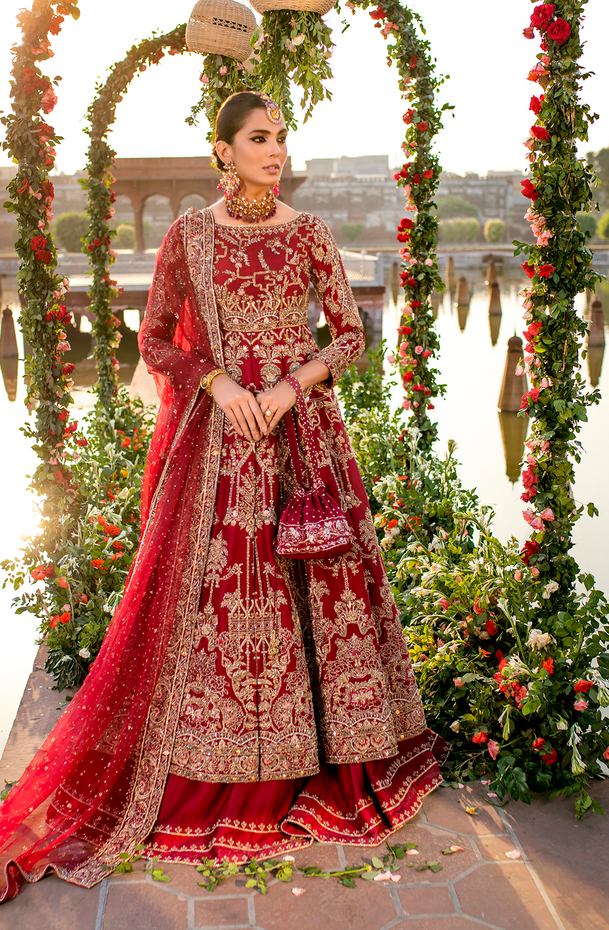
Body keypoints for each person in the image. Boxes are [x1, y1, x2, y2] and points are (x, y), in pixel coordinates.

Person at [0, 91, 447, 903]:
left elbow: (346, 335)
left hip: (303, 438)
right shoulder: (191, 236)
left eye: (281, 138)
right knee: (228, 606)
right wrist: (213, 381)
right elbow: (155, 337)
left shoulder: (309, 231)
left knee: (323, 595)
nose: (275, 151)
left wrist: (291, 385)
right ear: (224, 149)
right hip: (221, 447)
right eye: (258, 138)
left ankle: (332, 759)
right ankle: (225, 765)